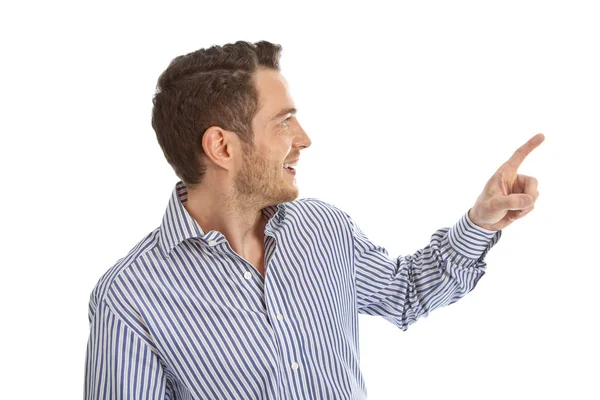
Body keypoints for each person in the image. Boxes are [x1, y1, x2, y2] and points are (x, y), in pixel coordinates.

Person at [83, 40, 543, 400]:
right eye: (283, 122)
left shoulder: (323, 229)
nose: (304, 139)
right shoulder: (129, 300)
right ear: (222, 147)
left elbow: (406, 293)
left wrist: (480, 222)